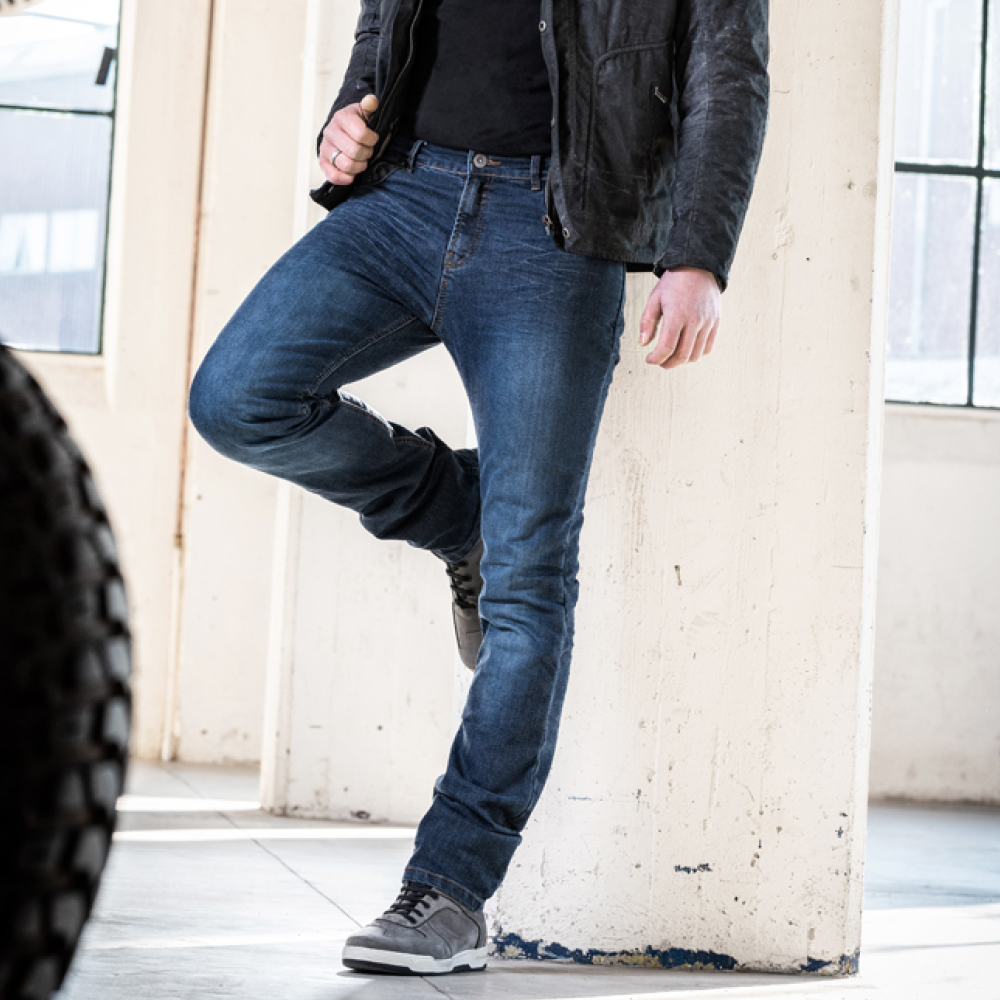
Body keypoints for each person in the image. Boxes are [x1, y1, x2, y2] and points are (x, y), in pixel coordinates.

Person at [188, 0, 769, 977]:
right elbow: (386, 22)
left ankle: (450, 890)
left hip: (556, 229)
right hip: (403, 195)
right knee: (237, 398)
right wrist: (349, 113)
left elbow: (728, 70)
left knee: (530, 576)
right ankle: (461, 515)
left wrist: (699, 254)